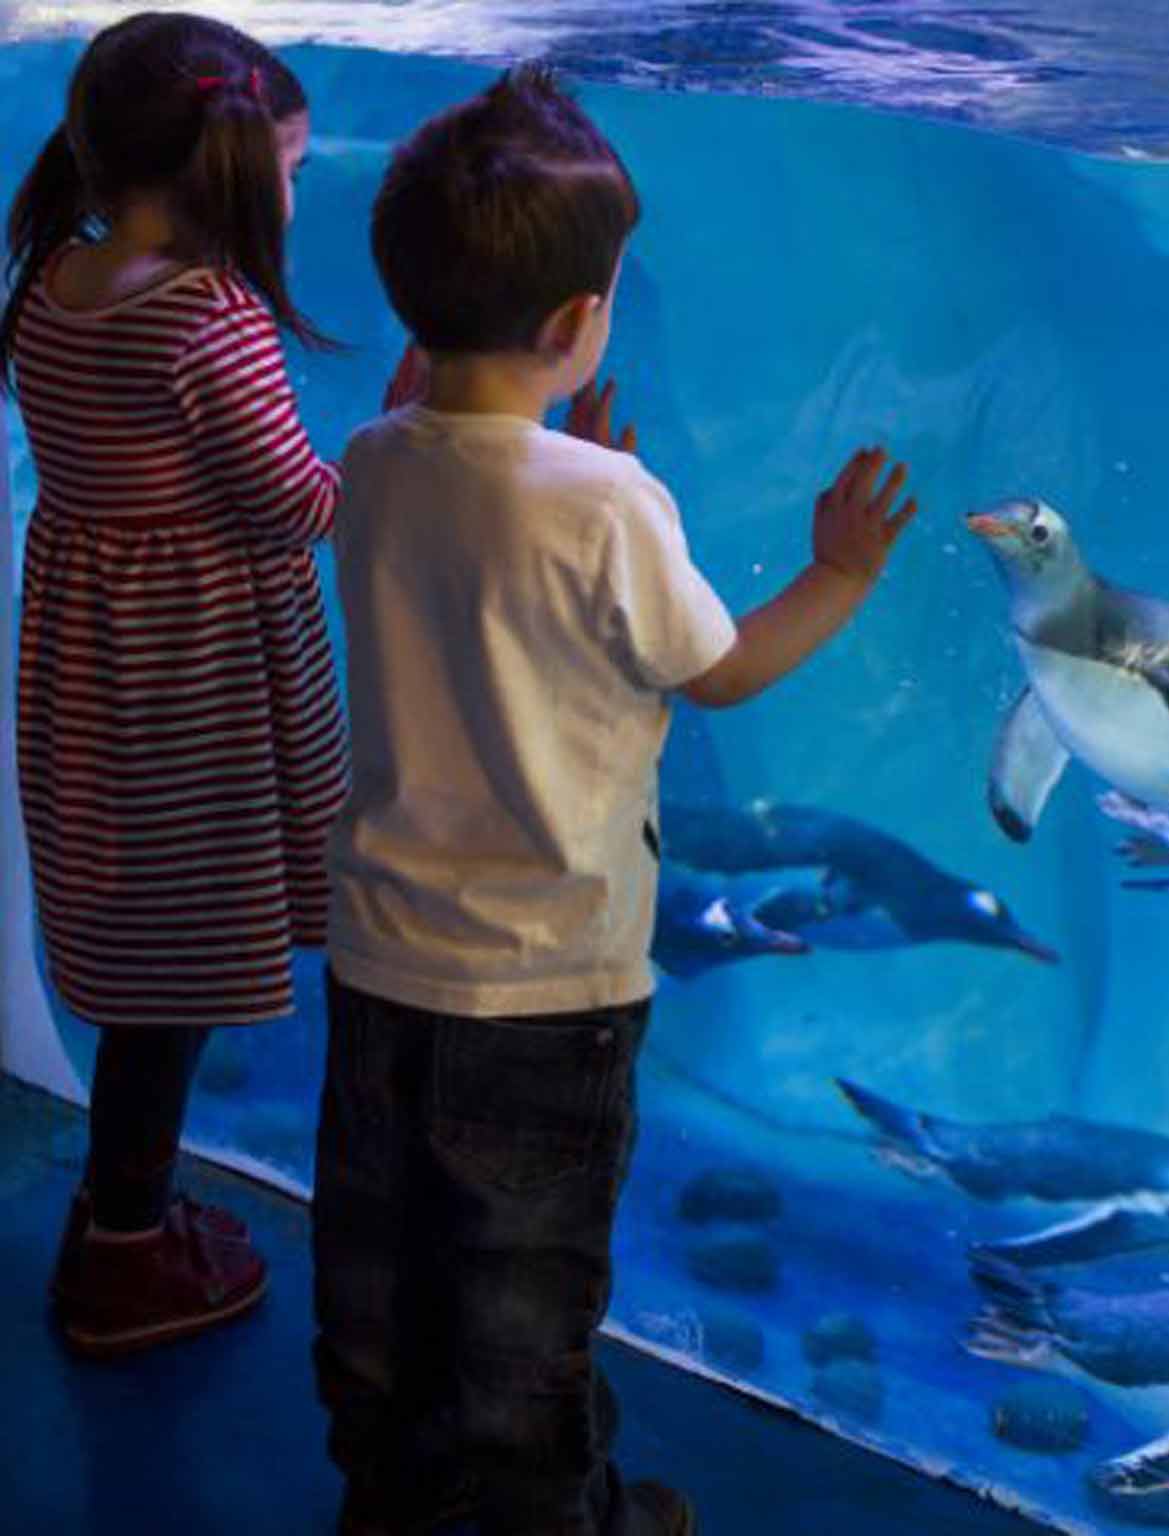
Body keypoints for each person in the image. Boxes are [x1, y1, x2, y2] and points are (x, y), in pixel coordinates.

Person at [314, 64, 917, 1536]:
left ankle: (397, 1506)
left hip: (383, 969)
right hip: (548, 992)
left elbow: (476, 524)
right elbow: (715, 672)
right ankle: (558, 1516)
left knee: (386, 1291)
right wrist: (837, 574)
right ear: (581, 324)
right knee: (528, 1300)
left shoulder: (376, 461)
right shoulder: (607, 505)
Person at [2, 13, 343, 1357]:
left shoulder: (50, 281)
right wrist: (392, 448)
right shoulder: (211, 314)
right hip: (196, 677)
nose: (297, 199)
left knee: (148, 948)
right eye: (292, 174)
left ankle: (119, 1214)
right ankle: (122, 1259)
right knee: (177, 979)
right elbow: (286, 507)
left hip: (97, 663)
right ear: (223, 176)